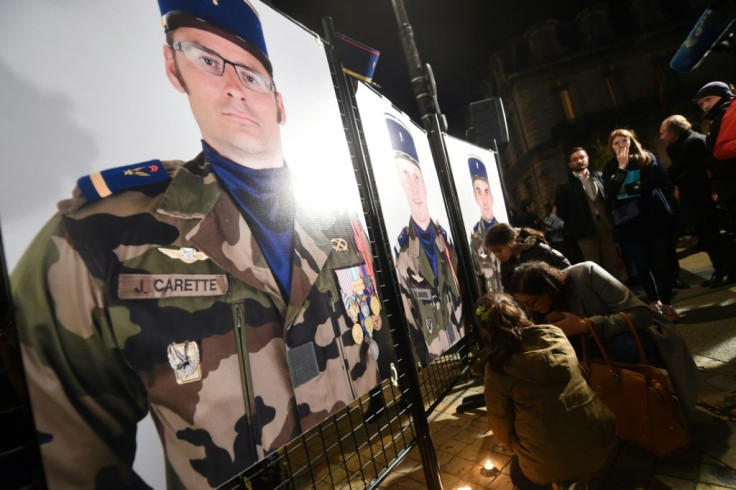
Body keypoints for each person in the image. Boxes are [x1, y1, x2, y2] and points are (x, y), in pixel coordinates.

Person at [11, 2, 395, 488]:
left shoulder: (338, 220)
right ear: (175, 68)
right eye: (208, 61)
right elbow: (68, 459)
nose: (234, 87)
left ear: (279, 101)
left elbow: (374, 339)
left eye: (252, 74)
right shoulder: (104, 234)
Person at [506, 261, 700, 422]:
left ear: (547, 288)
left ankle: (652, 404)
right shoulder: (538, 310)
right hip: (594, 354)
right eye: (523, 304)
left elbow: (641, 315)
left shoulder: (586, 274)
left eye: (531, 302)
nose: (530, 308)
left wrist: (585, 325)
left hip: (630, 337)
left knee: (625, 347)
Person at [477, 292, 617, 489]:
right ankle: (574, 477)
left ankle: (562, 483)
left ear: (485, 331)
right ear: (519, 313)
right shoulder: (555, 334)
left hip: (550, 462)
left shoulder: (497, 367)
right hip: (601, 439)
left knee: (518, 473)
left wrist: (516, 446)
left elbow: (500, 423)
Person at [388, 114, 463, 367]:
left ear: (425, 183)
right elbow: (411, 320)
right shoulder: (403, 258)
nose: (413, 185)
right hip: (437, 363)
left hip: (465, 345)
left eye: (417, 176)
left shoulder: (446, 241)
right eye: (405, 176)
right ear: (400, 183)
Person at [602, 128, 680, 322]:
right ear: (612, 147)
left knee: (660, 264)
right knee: (642, 266)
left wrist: (628, 189)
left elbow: (659, 179)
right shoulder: (611, 167)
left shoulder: (647, 159)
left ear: (632, 141)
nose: (621, 145)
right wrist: (622, 168)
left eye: (624, 141)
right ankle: (654, 301)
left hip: (653, 219)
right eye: (616, 143)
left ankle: (667, 303)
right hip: (630, 224)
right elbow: (611, 191)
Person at [661, 114, 736, 287]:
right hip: (697, 198)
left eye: (663, 132)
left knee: (714, 237)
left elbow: (675, 171)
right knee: (707, 238)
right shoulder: (682, 144)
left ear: (674, 132)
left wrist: (674, 173)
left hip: (703, 198)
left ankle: (727, 270)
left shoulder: (692, 143)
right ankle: (720, 271)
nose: (661, 137)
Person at [555, 146, 620, 278]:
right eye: (575, 159)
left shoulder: (600, 176)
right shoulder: (564, 187)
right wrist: (576, 226)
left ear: (587, 158)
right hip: (584, 231)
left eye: (581, 157)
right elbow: (562, 212)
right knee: (594, 266)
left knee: (612, 261)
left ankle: (617, 292)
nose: (579, 161)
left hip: (606, 225)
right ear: (570, 164)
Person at [694, 81, 736, 284]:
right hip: (728, 186)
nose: (705, 106)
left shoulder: (730, 113)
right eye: (701, 104)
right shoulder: (718, 119)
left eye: (708, 100)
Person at [484, 222, 570, 291]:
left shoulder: (537, 250)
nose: (497, 255)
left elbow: (565, 270)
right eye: (493, 252)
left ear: (510, 242)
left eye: (499, 250)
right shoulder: (506, 265)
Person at [467, 155, 503, 294]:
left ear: (492, 196)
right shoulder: (475, 238)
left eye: (486, 192)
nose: (484, 199)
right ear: (475, 197)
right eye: (479, 192)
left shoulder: (505, 231)